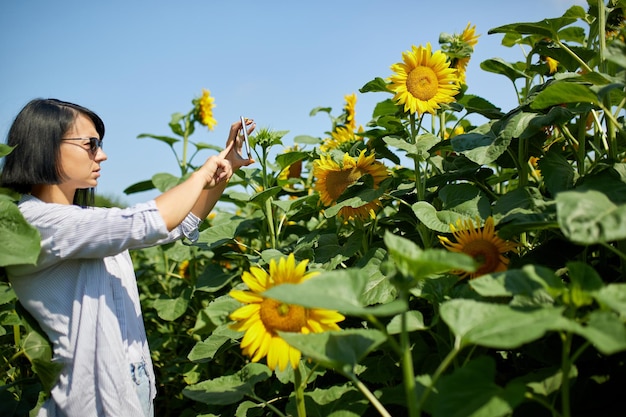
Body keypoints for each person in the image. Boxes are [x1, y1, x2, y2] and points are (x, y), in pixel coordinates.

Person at [0, 98, 254, 417]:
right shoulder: (36, 223)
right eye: (90, 144)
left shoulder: (89, 220)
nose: (102, 155)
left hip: (131, 391)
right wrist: (200, 175)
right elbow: (147, 221)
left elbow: (176, 224)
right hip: (89, 402)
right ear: (46, 145)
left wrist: (225, 165)